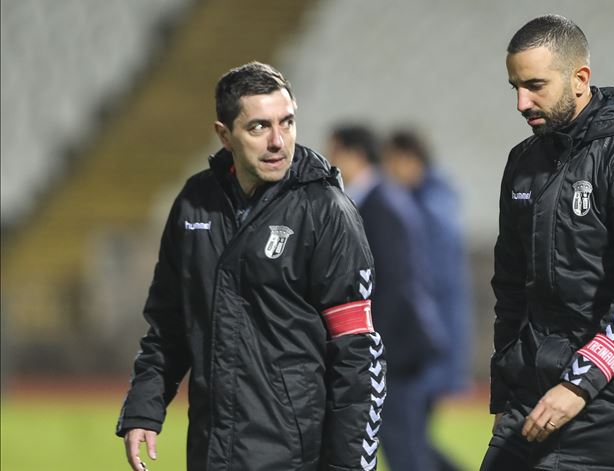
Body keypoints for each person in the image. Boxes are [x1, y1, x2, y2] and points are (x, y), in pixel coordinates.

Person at [116, 62, 386, 471]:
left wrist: (349, 467)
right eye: (259, 127)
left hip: (294, 456)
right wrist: (144, 407)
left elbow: (358, 354)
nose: (278, 141)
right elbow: (169, 324)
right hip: (210, 450)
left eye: (287, 122)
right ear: (225, 135)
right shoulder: (194, 204)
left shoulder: (326, 212)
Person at [482, 15, 614, 471]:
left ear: (579, 79)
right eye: (514, 86)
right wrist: (505, 394)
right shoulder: (523, 163)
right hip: (531, 404)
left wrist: (579, 383)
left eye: (534, 85)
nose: (520, 102)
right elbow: (510, 290)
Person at [326, 125, 446, 471]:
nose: (331, 163)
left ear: (353, 154)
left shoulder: (383, 204)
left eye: (334, 153)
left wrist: (373, 349)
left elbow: (397, 285)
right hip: (393, 348)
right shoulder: (378, 200)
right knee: (403, 446)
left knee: (404, 449)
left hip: (395, 350)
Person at [381, 130, 473, 471]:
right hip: (433, 344)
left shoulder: (423, 211)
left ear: (408, 160)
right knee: (409, 440)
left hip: (424, 347)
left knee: (405, 442)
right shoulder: (435, 203)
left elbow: (424, 284)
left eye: (391, 162)